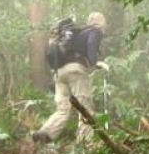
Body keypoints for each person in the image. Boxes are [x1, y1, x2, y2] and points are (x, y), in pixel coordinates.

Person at [32, 11, 109, 145]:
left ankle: (44, 134)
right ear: (101, 22)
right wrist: (96, 62)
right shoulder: (94, 31)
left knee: (62, 110)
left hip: (59, 73)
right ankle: (84, 143)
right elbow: (91, 45)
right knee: (85, 107)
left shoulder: (77, 33)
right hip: (75, 71)